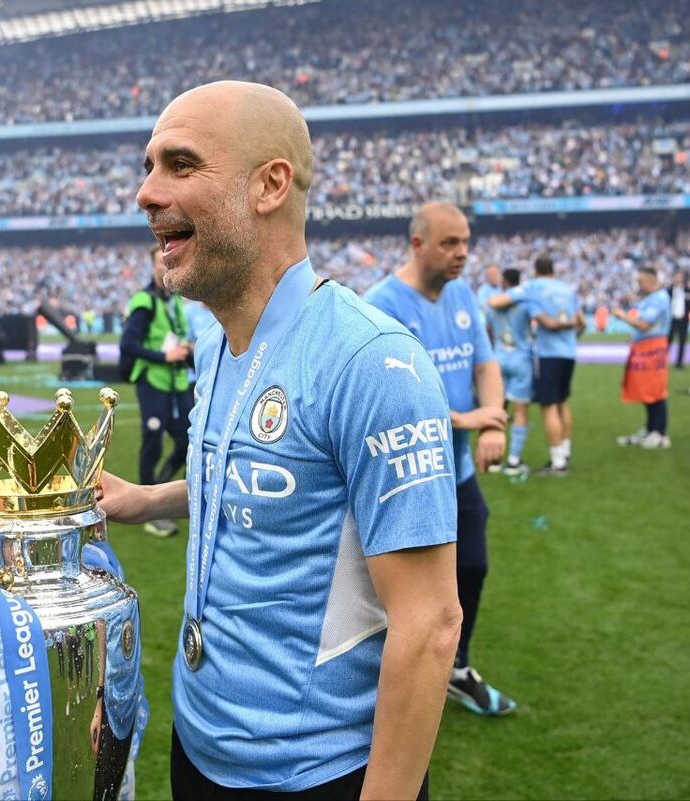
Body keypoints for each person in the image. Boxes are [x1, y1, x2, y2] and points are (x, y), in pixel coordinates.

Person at [101, 81, 462, 800]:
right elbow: (273, 479)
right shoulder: (216, 342)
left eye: (180, 164)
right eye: (148, 167)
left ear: (270, 185)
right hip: (200, 745)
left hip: (315, 771)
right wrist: (149, 499)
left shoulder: (371, 361)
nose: (146, 192)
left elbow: (430, 625)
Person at [365, 202, 517, 719]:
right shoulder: (381, 305)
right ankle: (380, 685)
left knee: (472, 565)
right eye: (450, 243)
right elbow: (395, 400)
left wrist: (492, 420)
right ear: (417, 244)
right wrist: (474, 420)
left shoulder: (463, 295)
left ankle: (454, 668)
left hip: (457, 470)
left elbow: (486, 365)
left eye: (466, 242)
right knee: (394, 592)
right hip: (404, 473)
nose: (462, 253)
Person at [119, 244, 193, 538]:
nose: (166, 266)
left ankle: (159, 493)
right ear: (152, 267)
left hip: (177, 382)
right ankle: (148, 510)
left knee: (186, 441)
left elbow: (178, 336)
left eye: (169, 261)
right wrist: (165, 356)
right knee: (153, 442)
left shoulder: (175, 301)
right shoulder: (144, 301)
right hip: (153, 382)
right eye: (160, 263)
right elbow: (128, 345)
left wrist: (185, 349)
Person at [489, 254, 584, 476]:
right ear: (553, 269)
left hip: (547, 354)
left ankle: (557, 463)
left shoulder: (531, 288)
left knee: (547, 406)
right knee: (562, 402)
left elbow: (496, 303)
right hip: (569, 353)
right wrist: (571, 332)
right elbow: (582, 323)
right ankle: (564, 452)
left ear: (536, 270)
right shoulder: (566, 289)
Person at [613, 267, 672, 449]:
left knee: (655, 388)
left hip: (653, 350)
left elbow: (645, 324)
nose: (638, 285)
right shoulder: (652, 298)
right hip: (646, 347)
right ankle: (651, 429)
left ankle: (659, 433)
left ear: (651, 280)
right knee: (647, 388)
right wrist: (635, 338)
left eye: (641, 281)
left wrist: (623, 316)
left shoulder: (659, 298)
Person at [487, 268, 534, 475]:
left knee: (498, 408)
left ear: (503, 281)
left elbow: (488, 331)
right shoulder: (524, 304)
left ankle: (494, 459)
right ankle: (514, 461)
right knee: (520, 410)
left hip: (499, 358)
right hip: (521, 359)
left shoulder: (492, 304)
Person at [669, 270, 687, 370]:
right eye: (676, 276)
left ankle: (679, 363)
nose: (678, 279)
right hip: (671, 320)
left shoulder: (687, 290)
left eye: (679, 277)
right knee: (668, 341)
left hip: (683, 320)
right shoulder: (669, 290)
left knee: (682, 342)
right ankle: (662, 361)